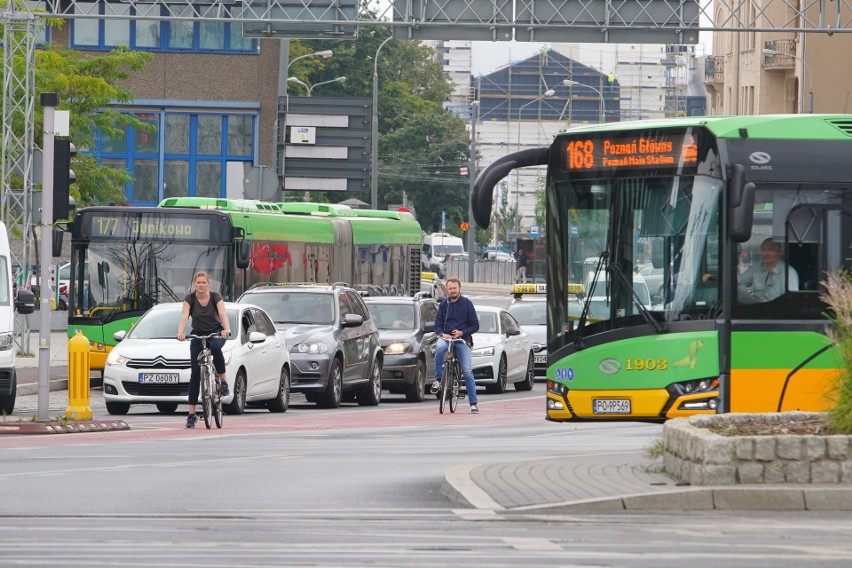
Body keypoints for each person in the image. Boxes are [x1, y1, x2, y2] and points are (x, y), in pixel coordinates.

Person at [177, 271, 231, 428]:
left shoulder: (215, 297)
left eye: (204, 282)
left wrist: (226, 329)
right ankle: (191, 415)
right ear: (195, 284)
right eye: (198, 283)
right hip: (197, 334)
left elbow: (222, 314)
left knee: (215, 347)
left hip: (216, 331)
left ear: (208, 284)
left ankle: (223, 381)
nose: (201, 285)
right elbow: (184, 316)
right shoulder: (190, 299)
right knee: (195, 375)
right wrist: (180, 332)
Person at [430, 278, 481, 413]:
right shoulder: (443, 305)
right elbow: (437, 325)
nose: (453, 291)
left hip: (462, 340)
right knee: (439, 348)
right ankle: (439, 379)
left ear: (459, 289)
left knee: (467, 371)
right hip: (446, 339)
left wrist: (462, 333)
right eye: (450, 288)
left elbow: (475, 325)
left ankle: (473, 403)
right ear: (447, 289)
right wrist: (442, 333)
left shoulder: (467, 304)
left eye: (455, 288)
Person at [738, 238, 799, 303]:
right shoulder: (757, 267)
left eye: (771, 250)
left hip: (775, 311)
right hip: (754, 308)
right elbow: (738, 281)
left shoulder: (789, 273)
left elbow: (792, 301)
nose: (765, 253)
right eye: (763, 249)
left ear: (780, 253)